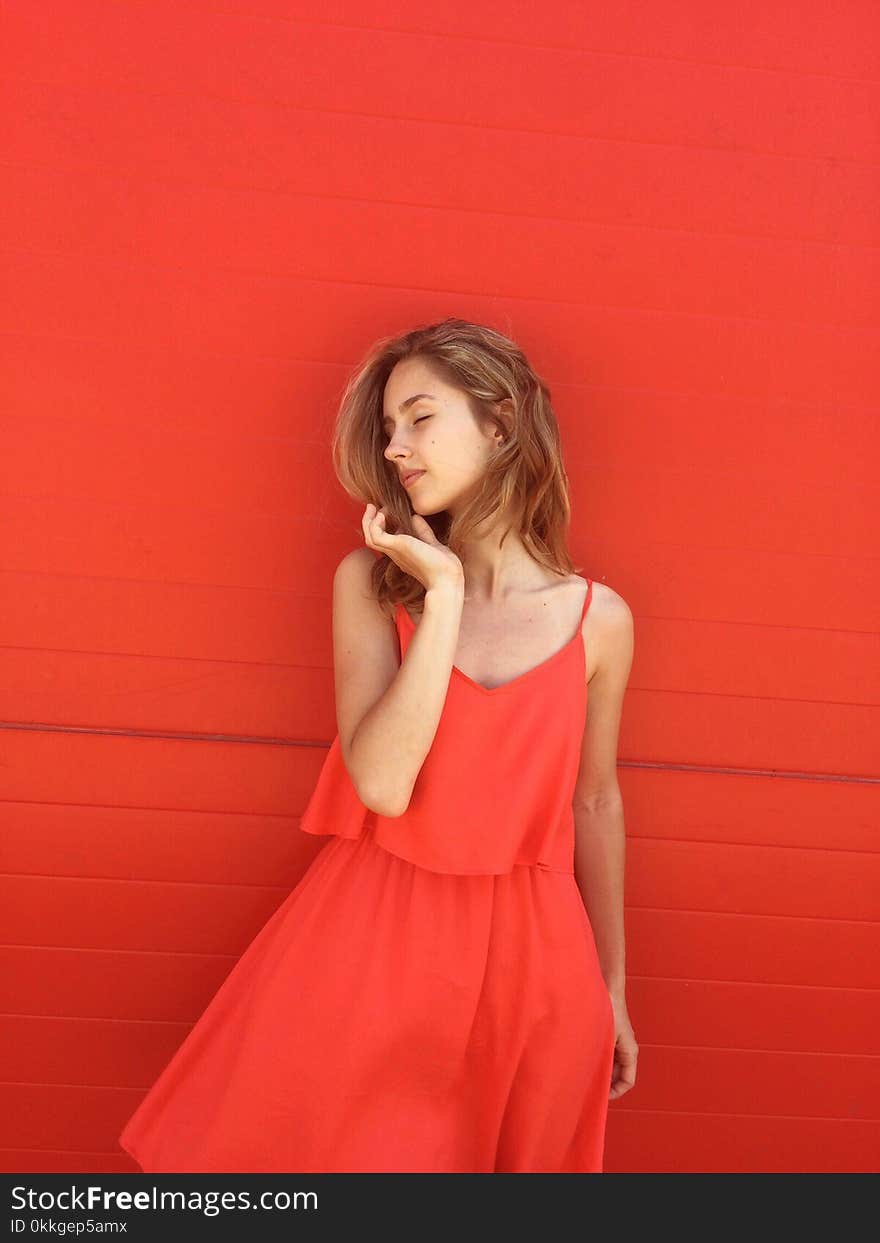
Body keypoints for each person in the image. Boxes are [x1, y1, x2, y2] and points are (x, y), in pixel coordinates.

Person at [117, 317, 637, 1173]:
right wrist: (441, 597)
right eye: (389, 428)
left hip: (539, 965)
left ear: (500, 422)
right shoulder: (370, 582)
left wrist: (613, 989)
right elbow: (384, 782)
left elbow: (596, 801)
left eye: (419, 417)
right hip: (376, 942)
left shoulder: (601, 621)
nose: (396, 447)